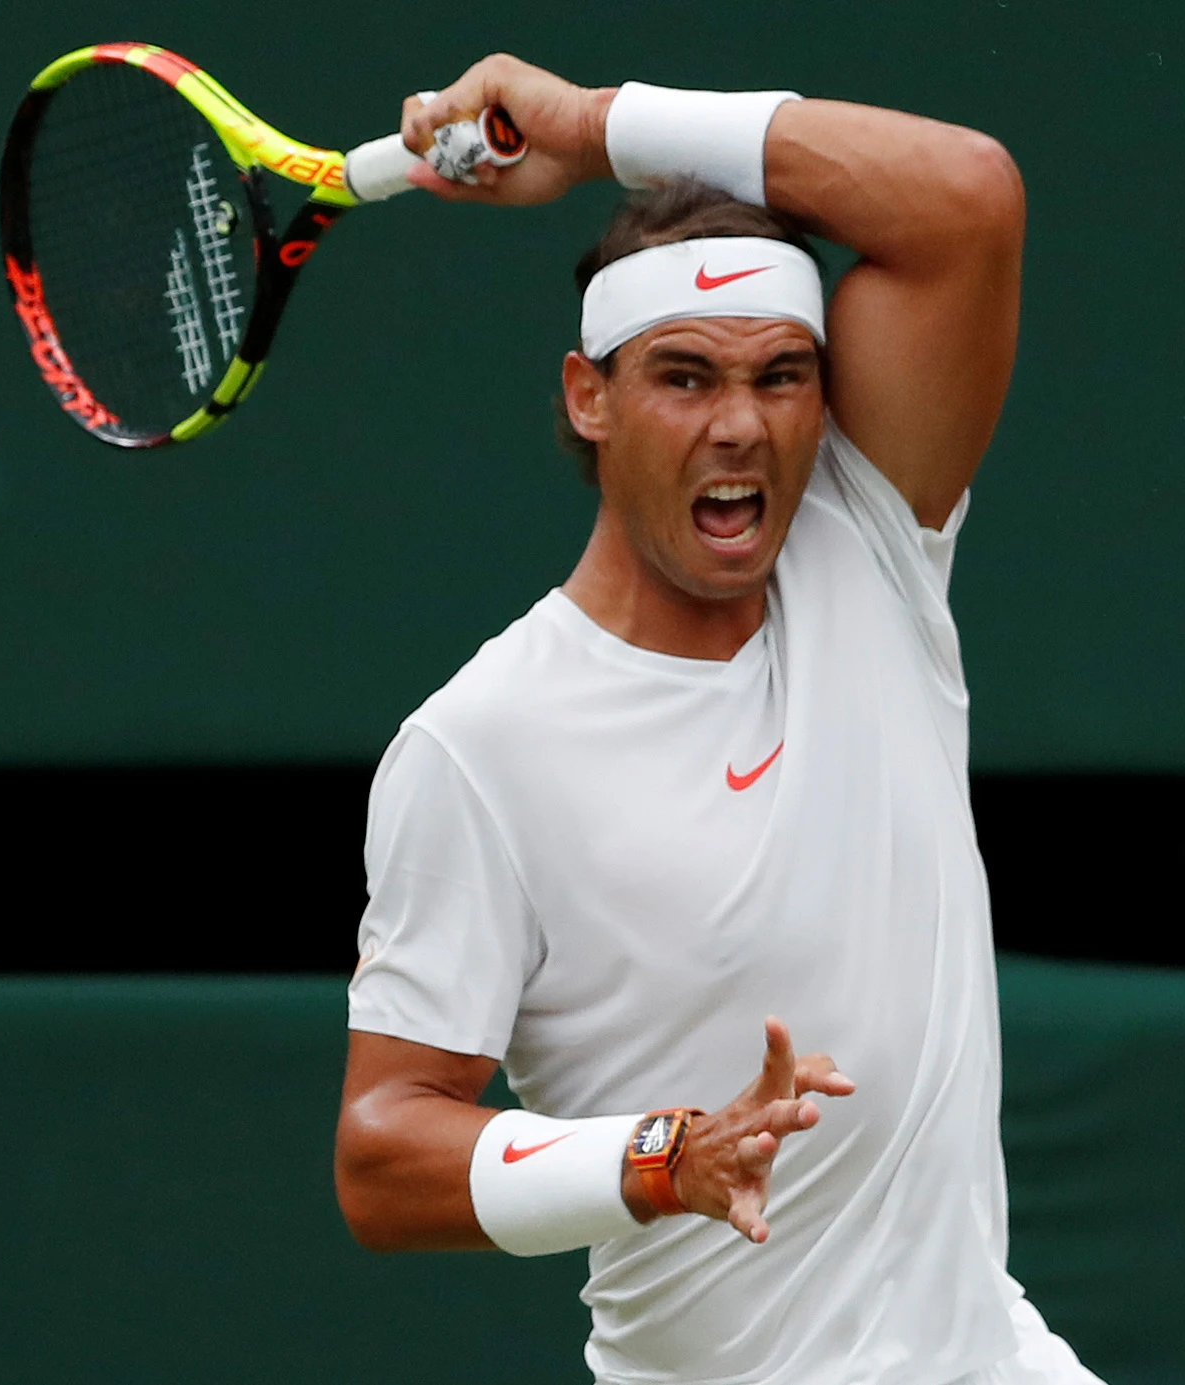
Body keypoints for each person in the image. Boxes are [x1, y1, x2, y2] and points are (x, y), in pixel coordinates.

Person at [334, 56, 1103, 1385]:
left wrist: (589, 131)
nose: (740, 427)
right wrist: (650, 1160)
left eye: (781, 378)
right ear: (590, 397)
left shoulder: (865, 533)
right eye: (683, 378)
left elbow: (966, 198)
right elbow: (384, 1155)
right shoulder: (478, 747)